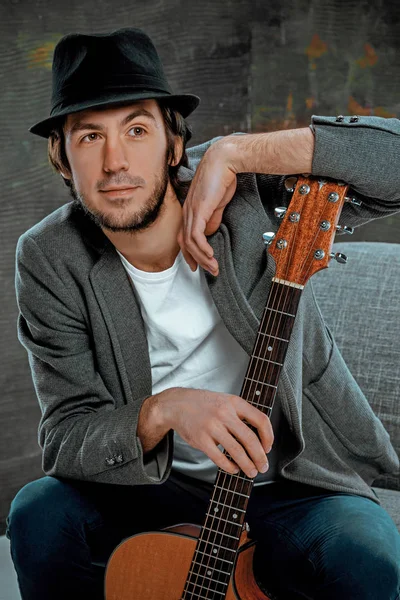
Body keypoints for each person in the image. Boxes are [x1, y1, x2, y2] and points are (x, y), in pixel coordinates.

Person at [6, 26, 400, 600]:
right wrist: (166, 410)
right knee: (41, 512)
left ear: (172, 144)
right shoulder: (48, 257)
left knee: (368, 561)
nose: (115, 161)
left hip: (295, 480)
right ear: (63, 160)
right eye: (89, 137)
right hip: (156, 484)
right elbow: (66, 437)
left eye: (136, 129)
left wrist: (237, 150)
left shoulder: (247, 193)